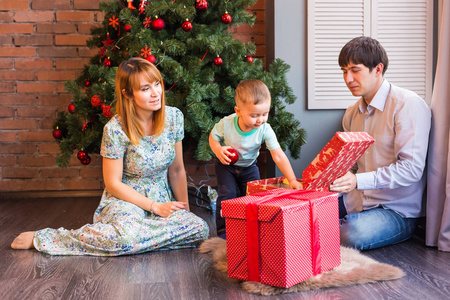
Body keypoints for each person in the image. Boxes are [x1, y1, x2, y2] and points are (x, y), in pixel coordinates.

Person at [11, 57, 209, 255]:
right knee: (125, 238)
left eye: (157, 84)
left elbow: (176, 170)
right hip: (125, 200)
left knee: (199, 229)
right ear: (128, 94)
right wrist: (154, 207)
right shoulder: (115, 129)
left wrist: (185, 214)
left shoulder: (173, 117)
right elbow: (113, 183)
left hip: (162, 198)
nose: (156, 93)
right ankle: (48, 238)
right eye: (145, 88)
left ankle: (135, 242)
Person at [329, 36, 431, 250]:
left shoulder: (407, 105)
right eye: (343, 71)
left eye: (355, 70)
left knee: (349, 233)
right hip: (355, 200)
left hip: (396, 210)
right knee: (303, 213)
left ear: (378, 69)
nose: (348, 79)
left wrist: (357, 180)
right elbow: (353, 165)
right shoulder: (351, 113)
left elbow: (411, 170)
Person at [209, 79, 302, 238]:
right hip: (226, 166)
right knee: (227, 194)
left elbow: (278, 155)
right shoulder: (227, 123)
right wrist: (217, 149)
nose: (260, 119)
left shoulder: (265, 129)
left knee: (255, 197)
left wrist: (292, 179)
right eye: (254, 115)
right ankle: (223, 231)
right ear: (238, 111)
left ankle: (251, 229)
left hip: (250, 167)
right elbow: (213, 136)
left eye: (264, 114)